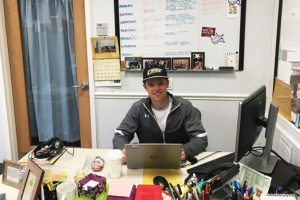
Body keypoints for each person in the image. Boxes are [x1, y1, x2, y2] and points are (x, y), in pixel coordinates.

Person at [113, 63, 208, 164]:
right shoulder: (138, 108)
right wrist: (123, 151)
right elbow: (120, 134)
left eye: (161, 83)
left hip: (180, 162)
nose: (156, 88)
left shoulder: (185, 107)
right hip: (148, 161)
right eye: (151, 85)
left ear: (167, 83)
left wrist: (186, 150)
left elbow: (201, 137)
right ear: (145, 87)